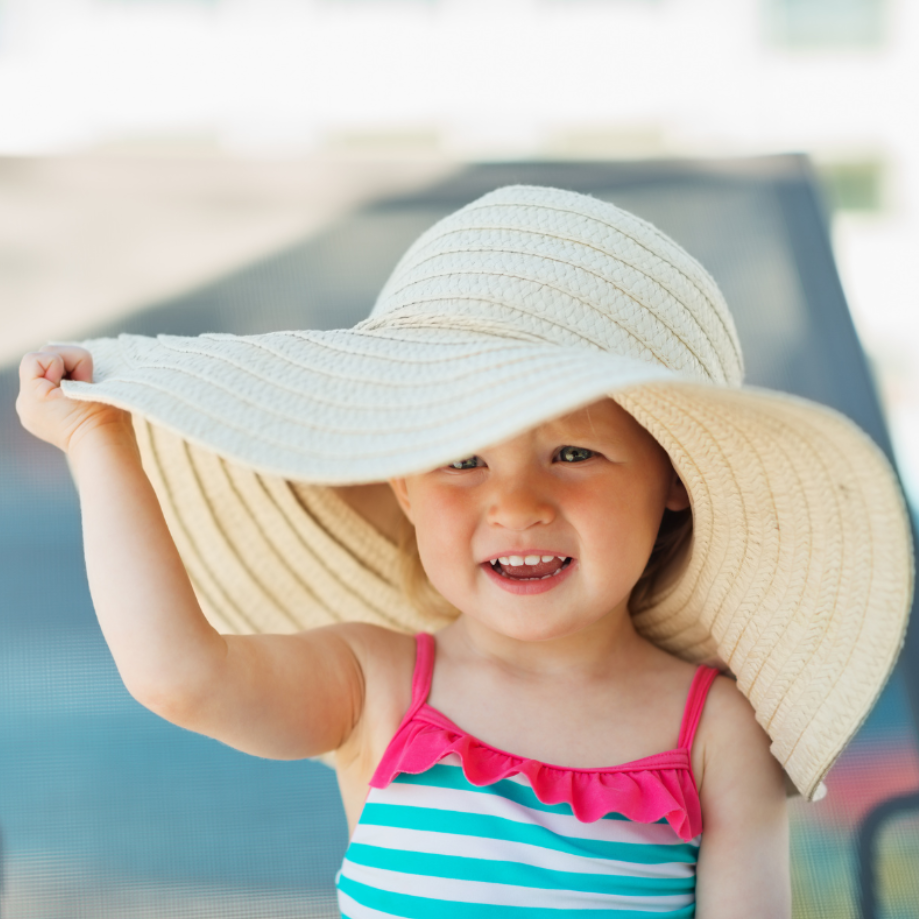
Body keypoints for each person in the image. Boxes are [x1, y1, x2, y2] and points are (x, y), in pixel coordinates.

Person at [16, 185, 912, 917]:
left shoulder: (714, 729)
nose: (515, 502)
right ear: (403, 485)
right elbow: (178, 673)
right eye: (462, 458)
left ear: (673, 480)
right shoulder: (377, 683)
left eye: (572, 453)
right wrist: (101, 445)